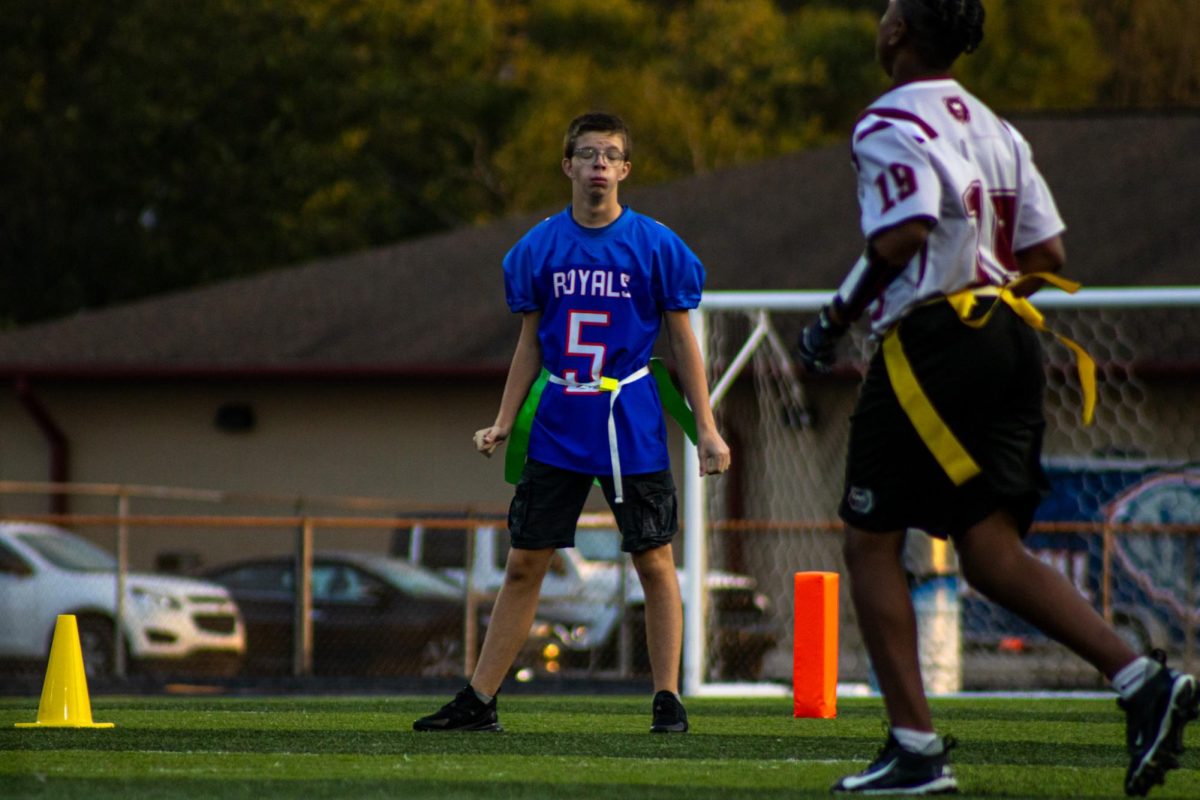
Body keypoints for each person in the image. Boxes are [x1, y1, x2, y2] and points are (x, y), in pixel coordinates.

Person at [796, 1, 1199, 795]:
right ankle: (1142, 682)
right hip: (1012, 335)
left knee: (871, 539)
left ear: (900, 31)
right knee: (988, 551)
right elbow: (1047, 250)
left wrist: (833, 318)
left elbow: (904, 232)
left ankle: (914, 750)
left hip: (933, 340)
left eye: (885, 10)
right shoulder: (996, 127)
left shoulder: (886, 120)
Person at [413, 112, 731, 734]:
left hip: (628, 416)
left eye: (611, 155)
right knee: (526, 562)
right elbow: (529, 342)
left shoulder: (657, 245)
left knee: (654, 558)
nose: (599, 166)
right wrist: (505, 420)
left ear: (626, 169)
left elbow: (683, 340)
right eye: (587, 155)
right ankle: (480, 699)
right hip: (560, 414)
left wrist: (708, 426)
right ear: (568, 165)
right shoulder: (538, 247)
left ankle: (667, 698)